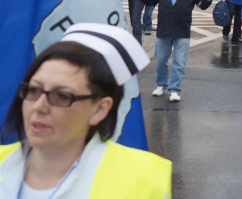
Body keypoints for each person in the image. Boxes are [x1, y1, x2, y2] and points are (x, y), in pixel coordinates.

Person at [0, 23, 171, 197]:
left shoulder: (143, 181)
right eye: (34, 90)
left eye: (61, 96)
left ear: (99, 110)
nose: (38, 107)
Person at [133, 0, 217, 101]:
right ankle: (161, 85)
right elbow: (152, 0)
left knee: (179, 62)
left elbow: (201, 4)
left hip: (182, 28)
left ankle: (175, 89)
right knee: (160, 60)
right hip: (164, 27)